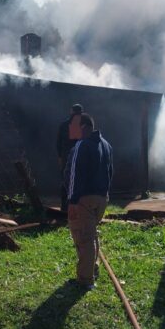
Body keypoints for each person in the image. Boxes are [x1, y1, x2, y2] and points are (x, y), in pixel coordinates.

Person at [64, 113, 113, 289]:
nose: (70, 128)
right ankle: (93, 269)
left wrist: (72, 201)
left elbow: (74, 175)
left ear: (83, 126)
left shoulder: (81, 145)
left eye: (72, 125)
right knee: (90, 235)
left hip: (83, 200)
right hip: (101, 198)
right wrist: (104, 196)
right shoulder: (106, 144)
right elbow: (110, 172)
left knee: (84, 238)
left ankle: (85, 280)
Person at [56, 103, 84, 212]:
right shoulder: (83, 125)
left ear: (71, 111)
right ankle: (76, 206)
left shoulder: (64, 125)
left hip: (66, 157)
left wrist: (60, 157)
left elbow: (58, 143)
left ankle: (65, 206)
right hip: (78, 157)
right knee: (77, 180)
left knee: (65, 181)